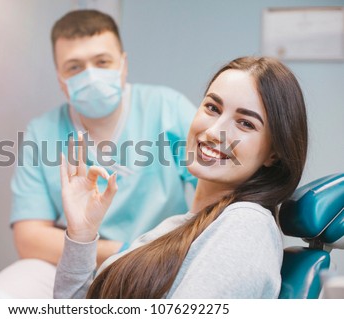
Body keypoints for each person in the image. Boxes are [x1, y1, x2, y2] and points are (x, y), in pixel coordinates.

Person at [54, 56, 308, 298]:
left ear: (273, 154)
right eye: (212, 107)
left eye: (245, 123)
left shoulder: (247, 225)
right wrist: (82, 233)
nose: (213, 131)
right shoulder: (179, 226)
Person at [0, 10, 197, 298]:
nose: (91, 75)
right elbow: (30, 238)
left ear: (123, 65)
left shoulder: (167, 109)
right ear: (61, 79)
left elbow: (217, 190)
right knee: (2, 295)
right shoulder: (43, 133)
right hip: (70, 261)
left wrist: (152, 254)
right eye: (74, 67)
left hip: (159, 261)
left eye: (102, 62)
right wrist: (116, 251)